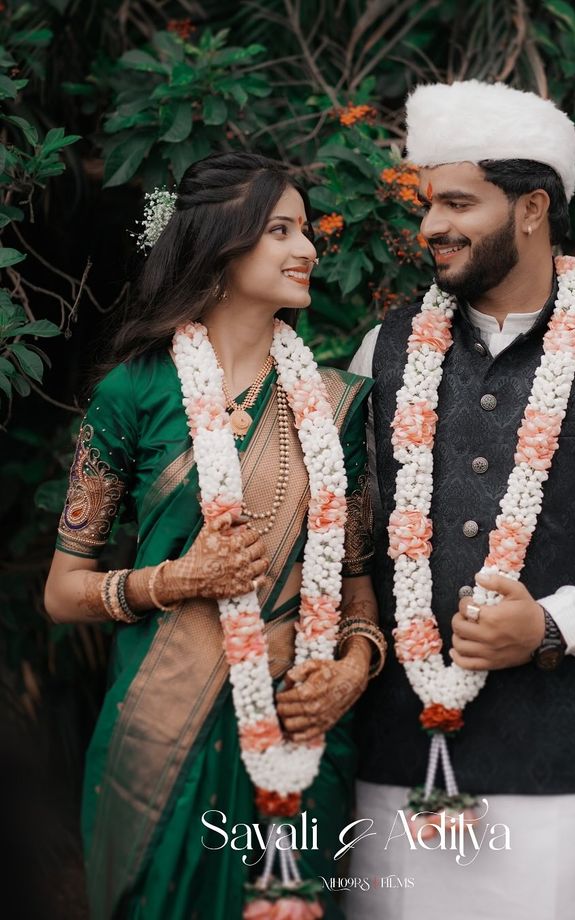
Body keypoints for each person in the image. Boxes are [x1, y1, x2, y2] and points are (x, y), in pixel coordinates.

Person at [345, 81, 575, 920]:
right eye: (428, 203)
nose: (431, 224)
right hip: (400, 770)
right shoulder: (385, 351)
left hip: (573, 790)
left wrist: (553, 624)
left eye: (457, 203)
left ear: (532, 209)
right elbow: (352, 541)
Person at [44, 151, 384, 920]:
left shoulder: (335, 405)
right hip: (161, 733)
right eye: (281, 230)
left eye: (306, 231)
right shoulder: (134, 392)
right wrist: (177, 579)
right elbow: (62, 593)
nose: (308, 248)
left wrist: (353, 669)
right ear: (222, 245)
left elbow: (357, 586)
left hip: (299, 740)